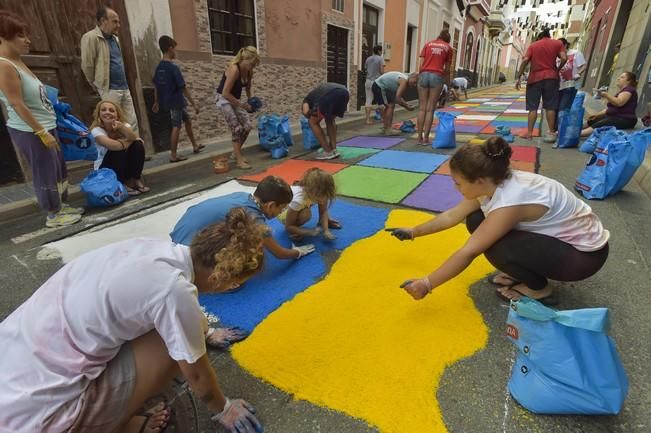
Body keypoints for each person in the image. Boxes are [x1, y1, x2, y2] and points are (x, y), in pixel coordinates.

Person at [0, 208, 266, 433]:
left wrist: (202, 333)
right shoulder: (174, 289)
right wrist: (224, 408)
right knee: (173, 350)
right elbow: (196, 374)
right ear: (221, 279)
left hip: (12, 362)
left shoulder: (153, 250)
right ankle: (117, 425)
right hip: (37, 418)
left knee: (187, 326)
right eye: (234, 284)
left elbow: (144, 302)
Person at [387, 136, 609, 303]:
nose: (455, 187)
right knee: (475, 219)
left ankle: (539, 289)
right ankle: (523, 271)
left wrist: (427, 283)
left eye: (458, 182)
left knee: (493, 245)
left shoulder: (510, 200)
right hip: (561, 244)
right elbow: (452, 216)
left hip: (582, 258)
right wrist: (414, 231)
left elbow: (469, 251)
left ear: (480, 180)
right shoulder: (495, 182)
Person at [0, 10, 83, 228]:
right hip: (32, 130)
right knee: (45, 171)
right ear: (2, 37)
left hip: (46, 124)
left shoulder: (18, 61)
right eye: (20, 35)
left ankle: (61, 206)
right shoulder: (4, 65)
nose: (27, 40)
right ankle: (53, 214)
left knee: (57, 169)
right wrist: (41, 132)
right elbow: (17, 103)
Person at [171, 175, 315, 260]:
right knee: (241, 268)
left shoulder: (243, 196)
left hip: (180, 231)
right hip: (187, 250)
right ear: (271, 206)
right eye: (282, 208)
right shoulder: (253, 219)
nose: (281, 212)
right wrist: (298, 252)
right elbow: (279, 253)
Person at [81, 5, 139, 133]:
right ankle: (119, 150)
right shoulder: (91, 37)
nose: (118, 25)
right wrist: (97, 84)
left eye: (118, 21)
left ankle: (135, 149)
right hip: (109, 88)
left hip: (124, 87)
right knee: (113, 123)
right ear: (103, 21)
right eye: (115, 21)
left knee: (132, 122)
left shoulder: (115, 39)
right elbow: (87, 65)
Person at [152, 35, 204, 163]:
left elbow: (156, 86)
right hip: (176, 101)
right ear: (170, 48)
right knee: (176, 126)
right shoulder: (173, 68)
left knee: (187, 120)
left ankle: (195, 146)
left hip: (167, 100)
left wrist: (156, 101)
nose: (175, 52)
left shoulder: (159, 67)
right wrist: (194, 104)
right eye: (174, 49)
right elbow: (183, 88)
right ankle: (173, 155)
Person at [515, 29, 567, 142]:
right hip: (551, 77)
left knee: (533, 107)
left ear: (539, 37)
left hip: (535, 78)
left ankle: (529, 133)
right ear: (549, 35)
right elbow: (564, 58)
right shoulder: (558, 43)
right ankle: (552, 133)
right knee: (550, 106)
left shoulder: (533, 45)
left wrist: (518, 77)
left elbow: (525, 60)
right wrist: (557, 69)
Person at [90, 100, 149, 196]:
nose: (107, 112)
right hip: (105, 170)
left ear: (117, 115)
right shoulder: (96, 130)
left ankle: (136, 179)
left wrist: (122, 129)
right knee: (118, 149)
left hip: (123, 165)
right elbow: (114, 146)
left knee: (137, 145)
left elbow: (134, 138)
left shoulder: (124, 125)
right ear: (99, 114)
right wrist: (129, 140)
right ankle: (120, 184)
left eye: (111, 110)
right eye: (103, 110)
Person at [215, 46, 260, 169]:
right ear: (244, 59)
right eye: (251, 63)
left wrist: (250, 102)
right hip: (224, 99)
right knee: (236, 128)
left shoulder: (249, 72)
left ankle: (236, 152)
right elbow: (225, 93)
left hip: (235, 99)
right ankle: (239, 159)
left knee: (247, 126)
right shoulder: (234, 69)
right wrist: (241, 105)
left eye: (255, 64)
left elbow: (248, 88)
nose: (253, 66)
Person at [279, 168, 340, 241]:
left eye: (326, 197)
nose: (323, 200)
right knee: (306, 214)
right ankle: (294, 230)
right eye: (318, 199)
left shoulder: (323, 193)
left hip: (297, 207)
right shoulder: (298, 200)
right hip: (282, 211)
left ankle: (321, 223)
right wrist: (307, 232)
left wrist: (326, 230)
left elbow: (323, 211)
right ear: (309, 191)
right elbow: (288, 226)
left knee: (308, 211)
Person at [416, 29, 453, 145]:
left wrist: (420, 75)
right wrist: (447, 83)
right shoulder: (448, 48)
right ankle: (426, 138)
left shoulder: (428, 44)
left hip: (424, 74)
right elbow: (447, 68)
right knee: (430, 109)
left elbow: (421, 64)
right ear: (448, 39)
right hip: (437, 76)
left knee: (422, 108)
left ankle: (419, 138)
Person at [580, 71, 639, 137]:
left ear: (628, 81)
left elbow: (619, 102)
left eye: (622, 77)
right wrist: (596, 115)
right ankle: (575, 130)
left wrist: (606, 95)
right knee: (593, 120)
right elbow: (609, 109)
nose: (618, 79)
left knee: (603, 123)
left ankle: (577, 134)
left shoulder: (629, 90)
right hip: (615, 116)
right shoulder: (623, 91)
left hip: (625, 119)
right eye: (619, 77)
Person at [302, 82, 350, 160]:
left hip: (330, 95)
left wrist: (309, 116)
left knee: (312, 122)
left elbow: (305, 111)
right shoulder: (316, 94)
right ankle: (334, 149)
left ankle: (327, 151)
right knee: (330, 119)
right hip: (344, 93)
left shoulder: (306, 100)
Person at [557, 37, 586, 112]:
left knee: (563, 108)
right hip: (558, 85)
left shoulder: (575, 53)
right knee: (556, 108)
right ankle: (557, 123)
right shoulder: (557, 55)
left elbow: (583, 65)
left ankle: (562, 122)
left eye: (560, 45)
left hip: (571, 85)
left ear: (566, 45)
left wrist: (578, 73)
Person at [364, 45, 385, 124]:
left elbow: (366, 69)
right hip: (377, 81)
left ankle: (368, 120)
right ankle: (383, 118)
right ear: (379, 51)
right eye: (381, 51)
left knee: (368, 100)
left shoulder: (368, 59)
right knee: (380, 100)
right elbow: (382, 71)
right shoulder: (380, 58)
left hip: (368, 81)